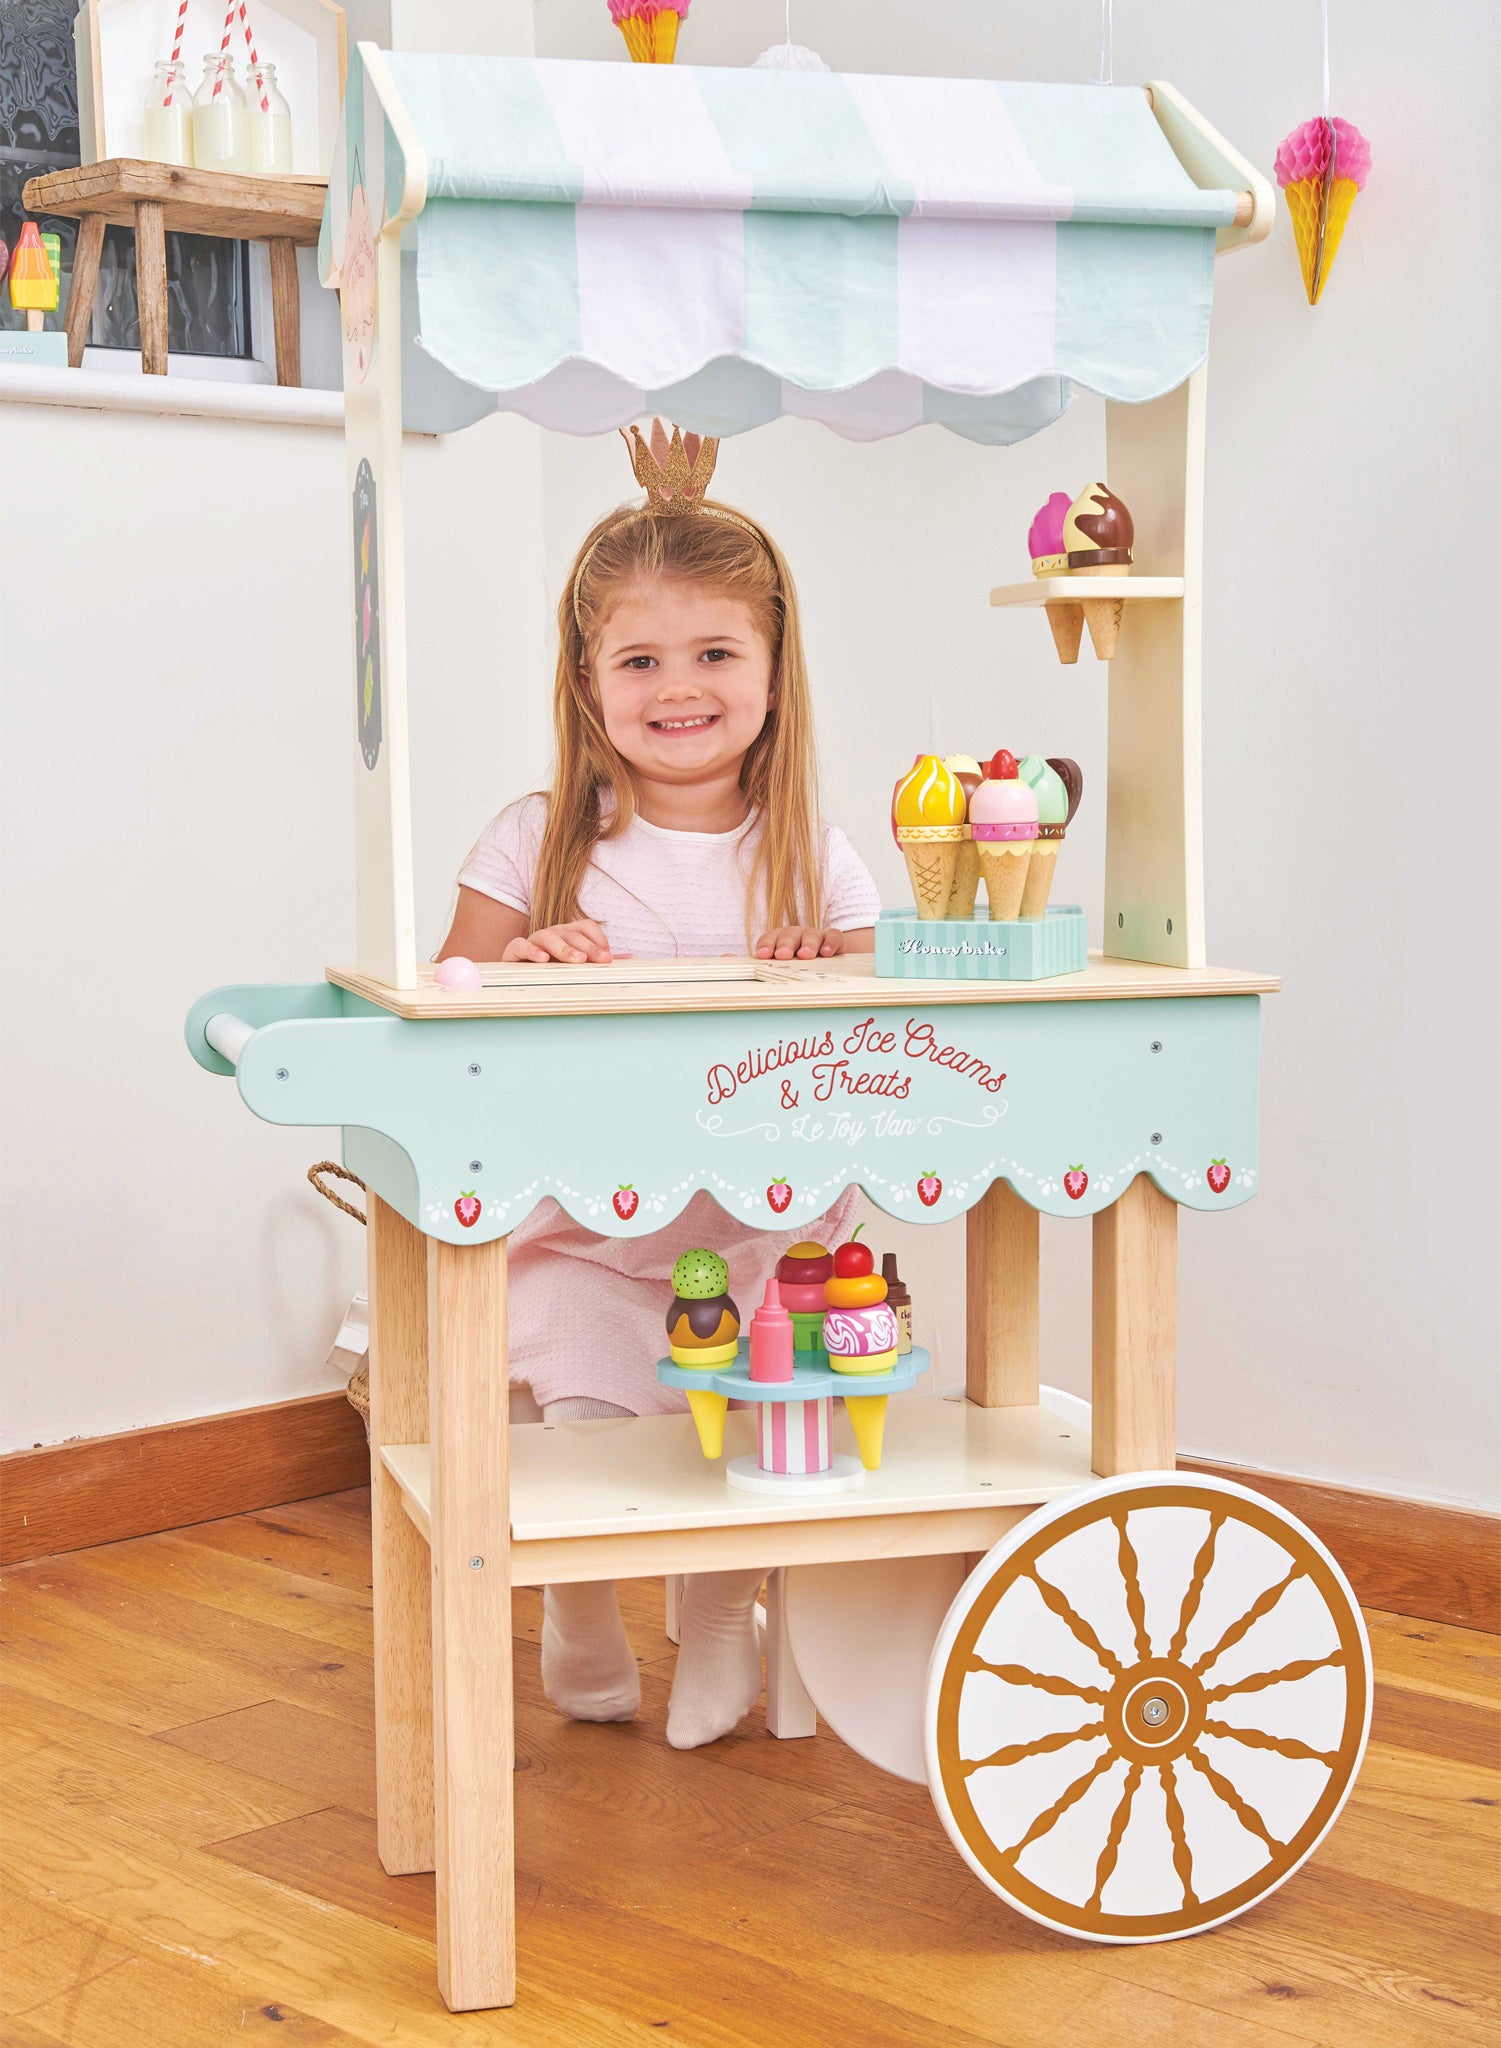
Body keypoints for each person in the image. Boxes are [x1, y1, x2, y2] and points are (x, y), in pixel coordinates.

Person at [440, 422, 879, 1749]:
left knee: (744, 1429)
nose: (675, 687)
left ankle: (724, 1605)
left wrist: (829, 971)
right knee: (582, 1417)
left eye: (712, 655)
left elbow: (886, 1041)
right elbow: (444, 1001)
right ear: (586, 683)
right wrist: (522, 962)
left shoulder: (809, 850)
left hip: (761, 1228)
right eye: (638, 659)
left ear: (769, 670)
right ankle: (578, 1609)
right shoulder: (535, 839)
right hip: (589, 1228)